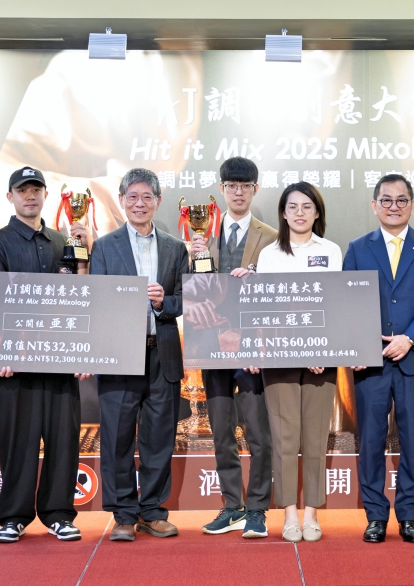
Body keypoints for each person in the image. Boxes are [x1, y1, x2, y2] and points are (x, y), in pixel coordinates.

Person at [0, 166, 90, 544]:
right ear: (10, 196)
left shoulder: (63, 241)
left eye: (36, 189)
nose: (30, 196)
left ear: (46, 195)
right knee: (18, 442)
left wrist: (83, 258)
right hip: (15, 365)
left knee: (64, 440)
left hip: (60, 360)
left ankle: (59, 513)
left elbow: (82, 299)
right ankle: (13, 516)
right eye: (22, 190)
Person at [342, 174, 414, 543]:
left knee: (413, 440)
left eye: (401, 200)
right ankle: (375, 516)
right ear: (374, 205)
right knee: (370, 441)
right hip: (370, 362)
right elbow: (348, 300)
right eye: (386, 200)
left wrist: (409, 338)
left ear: (412, 205)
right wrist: (362, 345)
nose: (393, 206)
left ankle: (409, 516)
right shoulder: (358, 248)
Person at [89, 168, 189, 542]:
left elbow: (185, 298)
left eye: (147, 197)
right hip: (119, 354)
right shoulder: (104, 246)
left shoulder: (175, 247)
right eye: (132, 196)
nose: (139, 203)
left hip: (162, 354)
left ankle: (153, 511)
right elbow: (97, 301)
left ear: (158, 201)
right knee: (117, 438)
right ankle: (123, 515)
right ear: (121, 200)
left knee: (158, 438)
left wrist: (165, 303)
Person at [186, 157, 277, 538]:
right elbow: (191, 290)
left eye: (245, 186)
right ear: (221, 189)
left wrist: (259, 277)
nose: (238, 192)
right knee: (221, 430)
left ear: (255, 189)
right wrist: (193, 258)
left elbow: (278, 295)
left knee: (258, 433)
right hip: (211, 343)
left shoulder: (271, 238)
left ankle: (257, 509)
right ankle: (231, 506)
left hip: (252, 347)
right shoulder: (201, 234)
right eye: (231, 185)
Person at [249, 182, 342, 542]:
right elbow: (262, 308)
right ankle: (289, 514)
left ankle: (312, 514)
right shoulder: (269, 254)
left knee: (316, 437)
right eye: (292, 206)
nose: (299, 213)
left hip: (321, 358)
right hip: (279, 357)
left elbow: (335, 304)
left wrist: (323, 348)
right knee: (285, 437)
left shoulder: (331, 251)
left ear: (317, 212)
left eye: (307, 206)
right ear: (283, 213)